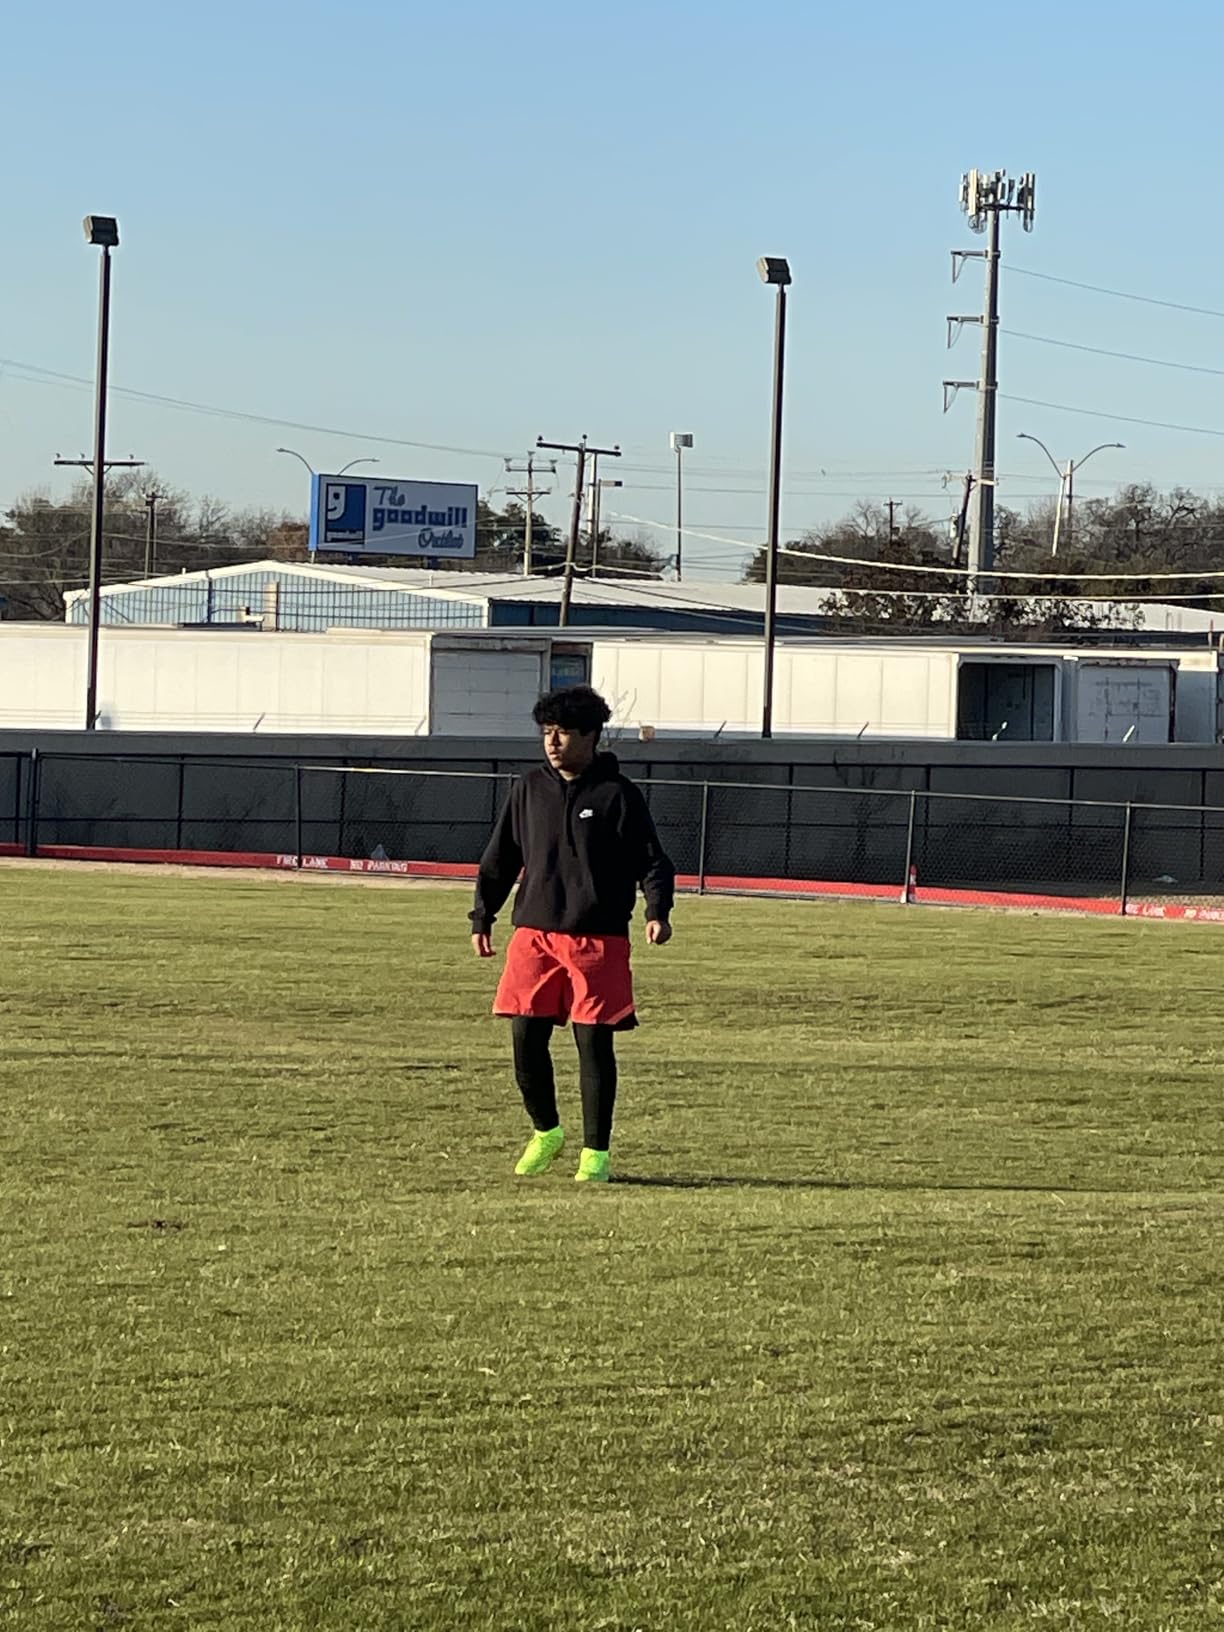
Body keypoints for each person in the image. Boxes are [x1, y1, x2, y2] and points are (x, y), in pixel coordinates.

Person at [470, 685, 676, 1183]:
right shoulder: (527, 789)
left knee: (593, 1045)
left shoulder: (618, 795)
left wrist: (657, 910)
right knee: (524, 1038)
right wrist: (483, 916)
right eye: (546, 732)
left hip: (597, 939)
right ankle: (546, 1131)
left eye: (563, 732)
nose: (552, 742)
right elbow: (501, 859)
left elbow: (652, 861)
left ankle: (595, 1154)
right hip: (534, 936)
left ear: (590, 736)